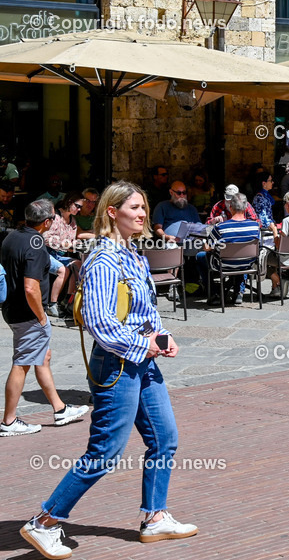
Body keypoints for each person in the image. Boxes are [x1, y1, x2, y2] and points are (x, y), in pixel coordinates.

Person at [19, 181, 197, 559]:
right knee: (104, 452)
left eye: (144, 207)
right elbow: (100, 324)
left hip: (143, 362)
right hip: (116, 366)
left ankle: (154, 517)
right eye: (134, 207)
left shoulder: (132, 253)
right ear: (112, 212)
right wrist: (144, 344)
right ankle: (45, 521)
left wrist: (162, 336)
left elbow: (145, 312)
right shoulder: (104, 259)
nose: (143, 213)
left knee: (164, 439)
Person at [0, 199, 89, 438]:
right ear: (47, 222)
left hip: (11, 308)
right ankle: (9, 421)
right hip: (27, 313)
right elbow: (31, 287)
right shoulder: (36, 245)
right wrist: (41, 316)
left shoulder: (12, 237)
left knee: (42, 356)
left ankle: (60, 409)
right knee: (22, 363)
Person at [197, 192, 261, 305]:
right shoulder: (255, 226)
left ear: (230, 207)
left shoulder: (220, 227)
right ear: (246, 207)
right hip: (247, 263)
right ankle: (238, 292)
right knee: (241, 255)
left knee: (200, 256)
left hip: (224, 264)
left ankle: (214, 293)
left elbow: (207, 247)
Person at [43, 195, 85, 307]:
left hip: (58, 254)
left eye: (81, 207)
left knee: (79, 265)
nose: (79, 209)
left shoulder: (73, 221)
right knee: (63, 270)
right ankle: (52, 304)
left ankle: (67, 301)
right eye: (77, 206)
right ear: (69, 202)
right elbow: (45, 238)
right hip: (45, 252)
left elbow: (70, 243)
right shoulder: (55, 216)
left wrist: (77, 245)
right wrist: (65, 244)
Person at [251, 171, 278, 237]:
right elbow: (262, 217)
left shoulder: (266, 195)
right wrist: (271, 225)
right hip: (264, 231)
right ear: (264, 183)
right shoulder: (259, 198)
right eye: (270, 180)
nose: (272, 182)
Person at [0, 179, 25, 245]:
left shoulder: (18, 204)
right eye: (2, 196)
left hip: (12, 236)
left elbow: (22, 222)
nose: (5, 199)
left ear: (13, 193)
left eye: (8, 197)